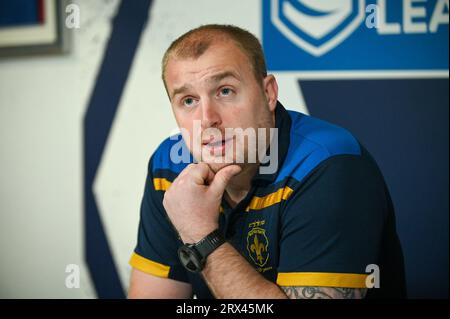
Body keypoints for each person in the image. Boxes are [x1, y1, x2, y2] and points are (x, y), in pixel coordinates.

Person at [127, 24, 406, 299]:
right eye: (188, 101)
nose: (207, 119)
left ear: (269, 93)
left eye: (225, 91)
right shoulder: (170, 167)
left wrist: (200, 235)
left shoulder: (328, 164)